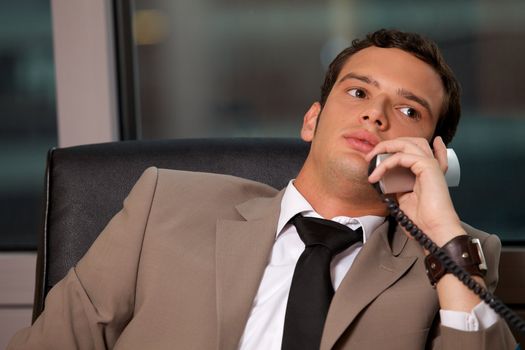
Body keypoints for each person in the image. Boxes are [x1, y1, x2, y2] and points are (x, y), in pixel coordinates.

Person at [8, 29, 517, 349]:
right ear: (312, 119)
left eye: (408, 110)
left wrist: (441, 230)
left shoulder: (455, 257)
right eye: (358, 91)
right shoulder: (163, 204)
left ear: (434, 155)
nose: (375, 114)